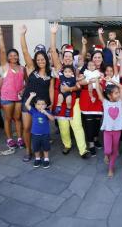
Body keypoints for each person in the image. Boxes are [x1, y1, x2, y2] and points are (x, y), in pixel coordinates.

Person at [49, 23, 91, 159]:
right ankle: (67, 144)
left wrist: (70, 88)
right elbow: (53, 52)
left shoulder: (76, 69)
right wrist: (53, 34)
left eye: (69, 56)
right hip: (61, 100)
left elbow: (78, 85)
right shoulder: (59, 67)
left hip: (75, 100)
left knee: (77, 125)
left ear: (72, 57)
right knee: (63, 126)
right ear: (62, 57)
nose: (67, 58)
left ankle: (83, 150)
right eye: (65, 55)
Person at [19, 25, 54, 162]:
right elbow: (24, 50)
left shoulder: (50, 73)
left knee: (40, 127)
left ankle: (41, 150)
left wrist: (50, 104)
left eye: (42, 59)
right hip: (28, 102)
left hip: (42, 105)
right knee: (27, 127)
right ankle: (28, 151)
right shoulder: (31, 68)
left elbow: (51, 89)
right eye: (38, 59)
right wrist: (22, 35)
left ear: (46, 59)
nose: (40, 61)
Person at [0, 25, 24, 149]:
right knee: (8, 118)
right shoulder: (6, 67)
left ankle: (20, 138)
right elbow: (2, 51)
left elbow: (25, 83)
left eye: (15, 55)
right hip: (7, 97)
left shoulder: (22, 68)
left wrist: (23, 89)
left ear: (18, 56)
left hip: (18, 97)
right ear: (7, 57)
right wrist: (0, 36)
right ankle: (10, 139)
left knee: (17, 118)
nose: (13, 57)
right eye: (10, 55)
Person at [79, 44, 106, 156]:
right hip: (87, 98)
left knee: (97, 121)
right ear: (92, 59)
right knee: (89, 122)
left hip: (99, 98)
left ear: (102, 59)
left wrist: (97, 80)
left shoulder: (104, 70)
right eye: (95, 57)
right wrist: (92, 80)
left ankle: (95, 139)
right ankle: (90, 143)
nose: (97, 59)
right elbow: (80, 82)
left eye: (99, 57)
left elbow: (104, 83)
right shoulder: (85, 68)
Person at [95, 78, 122, 178]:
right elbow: (99, 91)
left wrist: (111, 80)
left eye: (118, 93)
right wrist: (96, 80)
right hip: (107, 131)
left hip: (117, 130)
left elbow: (121, 86)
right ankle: (106, 155)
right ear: (109, 95)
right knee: (108, 150)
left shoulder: (119, 101)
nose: (118, 94)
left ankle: (111, 169)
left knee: (115, 151)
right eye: (115, 93)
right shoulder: (105, 102)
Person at [24, 92, 55, 169]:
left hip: (45, 134)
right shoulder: (34, 111)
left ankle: (46, 159)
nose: (40, 106)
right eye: (38, 104)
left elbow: (52, 119)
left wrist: (46, 113)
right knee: (36, 148)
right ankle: (37, 158)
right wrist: (31, 96)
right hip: (35, 134)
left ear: (46, 105)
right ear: (35, 105)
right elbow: (26, 105)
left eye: (43, 104)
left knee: (46, 147)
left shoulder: (47, 112)